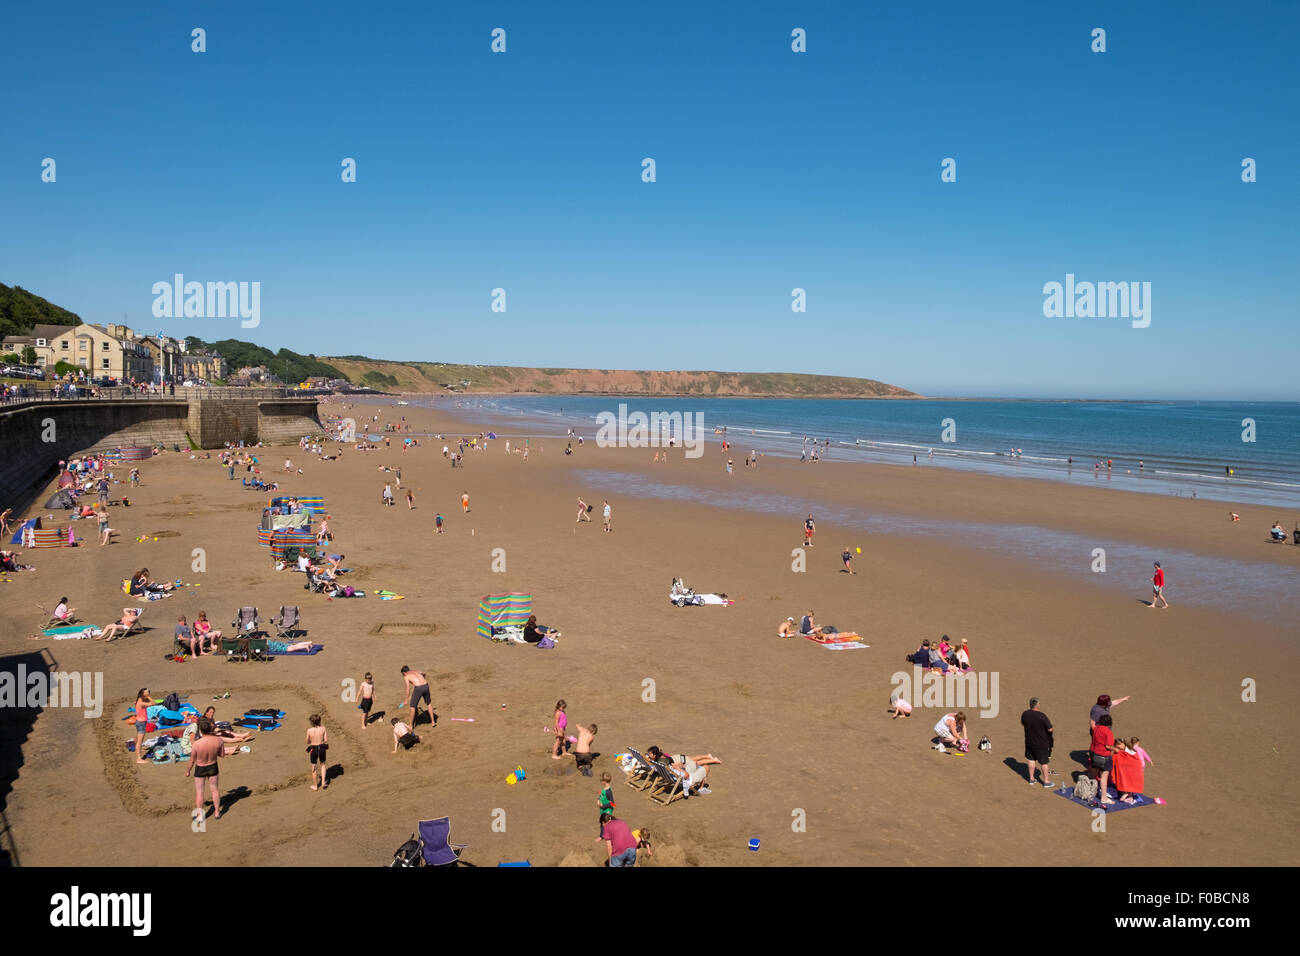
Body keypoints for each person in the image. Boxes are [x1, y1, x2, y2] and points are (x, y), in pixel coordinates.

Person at [187, 717, 224, 820]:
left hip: (201, 767)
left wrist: (188, 771)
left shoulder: (197, 744)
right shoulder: (219, 741)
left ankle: (199, 816)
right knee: (214, 790)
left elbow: (192, 760)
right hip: (213, 766)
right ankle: (217, 812)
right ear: (210, 729)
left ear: (200, 730)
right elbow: (222, 754)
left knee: (199, 792)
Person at [1021, 697, 1054, 787]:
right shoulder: (1042, 716)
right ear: (1038, 705)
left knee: (1031, 759)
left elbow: (1023, 723)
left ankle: (1031, 779)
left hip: (1029, 742)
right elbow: (1050, 729)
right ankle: (1046, 782)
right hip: (1041, 743)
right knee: (1044, 762)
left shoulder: (1025, 714)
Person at [1090, 714, 1117, 805]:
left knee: (1094, 772)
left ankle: (1091, 790)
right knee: (1104, 777)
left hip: (1094, 753)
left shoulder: (1096, 728)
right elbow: (1108, 746)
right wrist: (1116, 749)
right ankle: (1104, 797)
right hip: (1104, 756)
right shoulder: (1108, 732)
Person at [306, 714, 329, 790]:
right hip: (322, 748)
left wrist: (311, 740)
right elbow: (326, 740)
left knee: (314, 767)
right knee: (323, 764)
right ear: (320, 721)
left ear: (311, 722)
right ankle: (323, 782)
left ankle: (315, 786)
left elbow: (307, 741)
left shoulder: (309, 730)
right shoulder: (323, 728)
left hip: (314, 749)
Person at [132, 688, 152, 764]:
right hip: (141, 723)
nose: (148, 694)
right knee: (140, 742)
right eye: (146, 693)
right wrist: (149, 697)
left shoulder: (139, 699)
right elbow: (153, 703)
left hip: (138, 721)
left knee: (138, 737)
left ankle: (136, 748)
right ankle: (139, 759)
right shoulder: (141, 702)